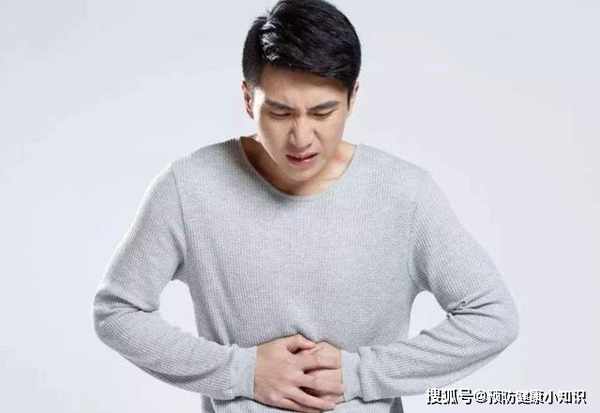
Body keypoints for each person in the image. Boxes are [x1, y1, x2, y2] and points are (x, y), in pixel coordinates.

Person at [91, 0, 520, 412]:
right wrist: (242, 373)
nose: (301, 138)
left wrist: (360, 374)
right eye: (280, 113)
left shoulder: (404, 195)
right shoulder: (190, 187)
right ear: (248, 98)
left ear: (352, 98)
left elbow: (492, 317)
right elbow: (116, 312)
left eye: (322, 113)